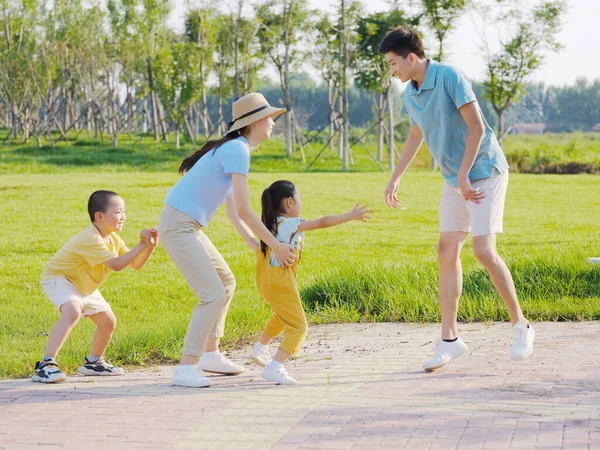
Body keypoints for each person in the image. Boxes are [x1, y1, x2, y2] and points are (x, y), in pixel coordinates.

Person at [379, 26, 535, 372]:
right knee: (446, 250)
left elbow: (477, 127)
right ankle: (449, 340)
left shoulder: (450, 77)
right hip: (456, 177)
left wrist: (464, 174)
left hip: (483, 170)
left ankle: (521, 325)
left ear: (411, 57)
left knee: (483, 249)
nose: (393, 71)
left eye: (393, 64)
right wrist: (395, 175)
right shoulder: (411, 94)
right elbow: (416, 134)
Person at [159, 93, 298, 388]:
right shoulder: (238, 149)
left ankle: (210, 353)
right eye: (270, 117)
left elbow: (235, 214)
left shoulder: (236, 148)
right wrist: (275, 245)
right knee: (212, 294)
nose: (273, 122)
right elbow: (246, 211)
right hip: (179, 225)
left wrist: (258, 247)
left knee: (225, 282)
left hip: (187, 225)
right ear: (257, 121)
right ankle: (186, 368)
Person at [248, 180, 372, 384]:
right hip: (280, 282)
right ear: (289, 202)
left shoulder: (271, 224)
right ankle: (275, 366)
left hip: (267, 280)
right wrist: (350, 216)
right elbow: (322, 222)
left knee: (282, 316)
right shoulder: (289, 224)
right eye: (299, 199)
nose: (300, 203)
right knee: (299, 326)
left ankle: (261, 347)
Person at [34, 190, 158, 383]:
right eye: (117, 212)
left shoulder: (113, 239)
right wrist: (141, 245)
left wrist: (149, 246)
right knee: (72, 311)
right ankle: (45, 364)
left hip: (83, 284)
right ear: (99, 216)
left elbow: (135, 264)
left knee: (108, 322)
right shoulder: (91, 238)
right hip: (59, 277)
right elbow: (116, 265)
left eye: (124, 211)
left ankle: (93, 363)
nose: (123, 216)